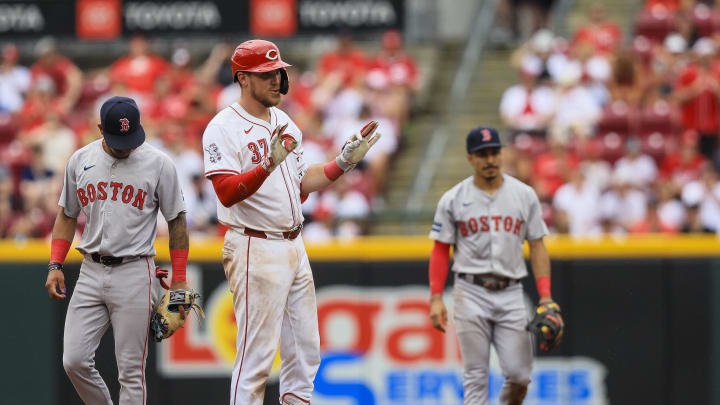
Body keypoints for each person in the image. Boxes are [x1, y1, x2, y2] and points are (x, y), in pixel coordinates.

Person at [201, 39, 381, 405]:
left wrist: (343, 162)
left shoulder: (283, 120)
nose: (276, 80)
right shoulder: (222, 127)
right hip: (254, 244)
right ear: (243, 79)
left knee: (305, 351)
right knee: (256, 359)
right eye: (266, 74)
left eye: (278, 72)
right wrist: (265, 165)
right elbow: (226, 191)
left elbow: (301, 182)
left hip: (293, 243)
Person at [44, 96, 190, 405]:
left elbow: (177, 221)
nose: (126, 146)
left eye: (130, 138)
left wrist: (179, 280)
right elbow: (67, 215)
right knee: (74, 360)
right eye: (118, 140)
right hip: (91, 271)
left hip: (136, 271)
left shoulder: (159, 163)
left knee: (131, 374)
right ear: (100, 130)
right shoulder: (80, 160)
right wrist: (55, 264)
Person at [427, 126, 561, 404]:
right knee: (475, 375)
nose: (489, 159)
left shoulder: (524, 195)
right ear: (470, 159)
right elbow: (441, 248)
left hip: (511, 292)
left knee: (520, 375)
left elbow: (537, 244)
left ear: (503, 153)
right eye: (482, 154)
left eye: (494, 152)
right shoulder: (453, 198)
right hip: (470, 291)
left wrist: (546, 295)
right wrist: (436, 296)